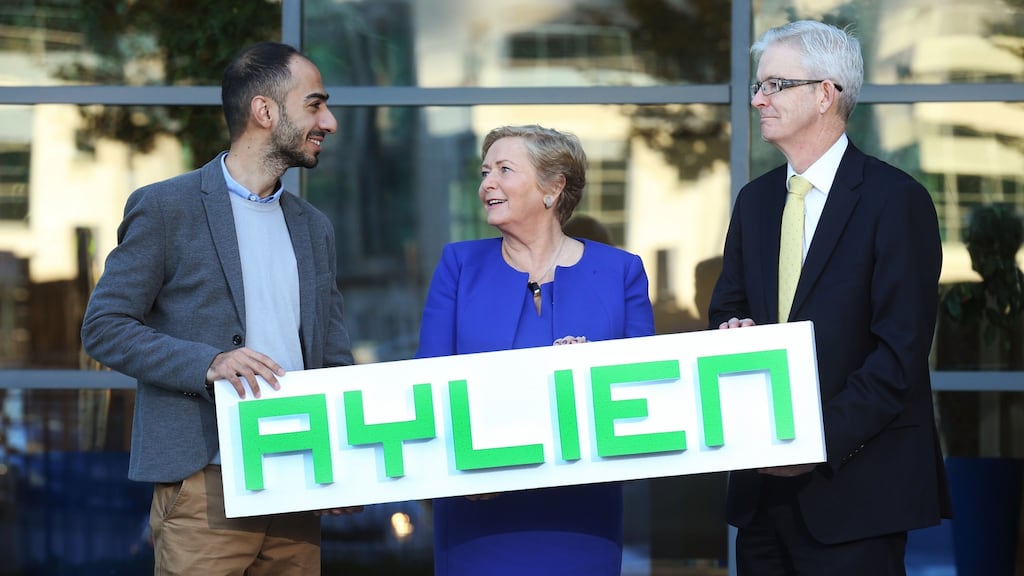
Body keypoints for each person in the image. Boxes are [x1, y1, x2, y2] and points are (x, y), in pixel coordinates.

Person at [80, 41, 360, 575]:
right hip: (206, 482)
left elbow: (332, 357)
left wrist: (340, 462)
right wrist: (208, 363)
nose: (330, 121)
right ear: (265, 111)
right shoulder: (166, 208)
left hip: (297, 479)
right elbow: (104, 328)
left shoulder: (314, 227)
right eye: (315, 104)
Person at [708, 20, 951, 575]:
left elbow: (899, 352)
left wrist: (813, 440)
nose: (756, 99)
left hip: (858, 490)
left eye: (774, 85)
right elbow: (728, 307)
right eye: (758, 85)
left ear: (825, 94)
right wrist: (732, 331)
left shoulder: (897, 200)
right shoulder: (754, 201)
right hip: (763, 494)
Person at [416, 124, 655, 575]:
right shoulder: (458, 264)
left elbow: (644, 389)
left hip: (580, 518)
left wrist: (593, 370)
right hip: (477, 516)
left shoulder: (621, 272)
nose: (488, 183)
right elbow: (427, 382)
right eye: (485, 172)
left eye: (505, 170)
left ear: (554, 187)